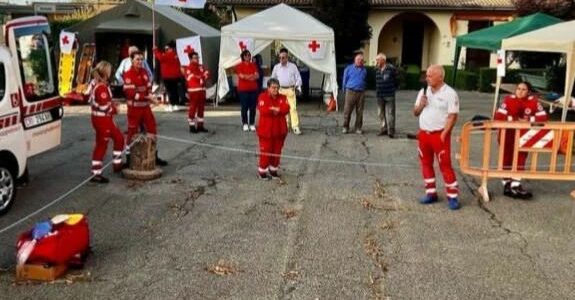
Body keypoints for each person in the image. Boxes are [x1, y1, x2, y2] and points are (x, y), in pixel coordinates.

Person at [413, 65, 460, 210]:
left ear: (440, 77)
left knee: (445, 165)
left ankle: (452, 196)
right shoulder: (423, 91)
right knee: (425, 163)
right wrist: (421, 105)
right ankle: (431, 193)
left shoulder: (450, 93)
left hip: (439, 135)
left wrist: (444, 134)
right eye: (427, 75)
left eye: (430, 75)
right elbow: (415, 112)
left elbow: (453, 116)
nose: (427, 78)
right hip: (424, 134)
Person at [493, 81, 547, 199]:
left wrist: (529, 119)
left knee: (520, 159)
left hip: (523, 136)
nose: (520, 91)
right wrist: (515, 119)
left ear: (528, 92)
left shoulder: (533, 101)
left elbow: (543, 117)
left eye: (523, 89)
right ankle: (507, 183)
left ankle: (516, 185)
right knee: (506, 157)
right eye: (518, 88)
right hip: (507, 135)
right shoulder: (508, 100)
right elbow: (499, 116)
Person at [122, 51, 167, 166]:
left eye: (141, 59)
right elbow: (131, 93)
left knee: (152, 129)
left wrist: (151, 96)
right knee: (132, 132)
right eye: (137, 59)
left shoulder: (144, 72)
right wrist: (147, 97)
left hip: (145, 108)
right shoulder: (128, 74)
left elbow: (148, 87)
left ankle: (153, 155)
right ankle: (128, 158)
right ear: (131, 60)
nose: (140, 61)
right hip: (134, 109)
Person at [89, 61, 125, 184]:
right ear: (105, 72)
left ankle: (117, 164)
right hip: (102, 119)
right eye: (109, 70)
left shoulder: (100, 84)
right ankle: (96, 173)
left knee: (119, 138)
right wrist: (115, 109)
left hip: (104, 118)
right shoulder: (101, 87)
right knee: (101, 145)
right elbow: (104, 107)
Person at [257, 78, 290, 180]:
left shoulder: (283, 97)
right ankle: (262, 172)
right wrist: (277, 109)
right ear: (268, 88)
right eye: (273, 87)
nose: (275, 90)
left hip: (280, 131)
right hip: (266, 131)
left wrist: (275, 109)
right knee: (266, 151)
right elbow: (263, 110)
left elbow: (286, 109)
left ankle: (273, 170)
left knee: (277, 152)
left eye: (277, 87)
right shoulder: (262, 96)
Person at [271, 48, 302, 135]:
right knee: (281, 109)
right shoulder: (276, 67)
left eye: (283, 57)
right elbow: (272, 79)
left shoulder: (293, 66)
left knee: (293, 108)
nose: (281, 59)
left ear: (287, 58)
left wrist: (296, 86)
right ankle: (284, 126)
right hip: (280, 90)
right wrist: (273, 89)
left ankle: (295, 126)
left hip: (290, 89)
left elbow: (298, 78)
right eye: (280, 58)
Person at [183, 51, 209, 133]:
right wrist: (201, 76)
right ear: (190, 59)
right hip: (194, 91)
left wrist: (201, 76)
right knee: (193, 108)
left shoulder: (201, 66)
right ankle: (192, 125)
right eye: (195, 58)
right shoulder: (188, 68)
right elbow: (191, 78)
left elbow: (207, 73)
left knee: (201, 108)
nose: (197, 59)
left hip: (202, 90)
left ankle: (200, 125)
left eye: (198, 58)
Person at [153, 40, 183, 112]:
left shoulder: (168, 55)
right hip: (175, 76)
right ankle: (175, 105)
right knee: (174, 91)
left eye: (167, 49)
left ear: (170, 48)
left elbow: (160, 58)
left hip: (168, 77)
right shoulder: (176, 55)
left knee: (170, 91)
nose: (165, 50)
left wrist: (155, 50)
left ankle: (171, 105)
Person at [342, 52, 367, 134]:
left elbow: (364, 80)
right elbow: (344, 80)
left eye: (361, 60)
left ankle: (358, 128)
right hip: (350, 91)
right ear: (355, 60)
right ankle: (345, 127)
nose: (360, 61)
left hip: (361, 92)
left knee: (360, 111)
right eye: (358, 59)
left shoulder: (364, 70)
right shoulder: (348, 68)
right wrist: (344, 90)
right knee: (347, 110)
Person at [375, 53, 399, 138]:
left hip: (389, 94)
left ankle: (391, 131)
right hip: (379, 95)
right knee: (380, 113)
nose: (376, 61)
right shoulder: (377, 68)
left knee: (390, 113)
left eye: (378, 59)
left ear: (383, 60)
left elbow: (397, 80)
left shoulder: (391, 69)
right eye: (376, 60)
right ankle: (383, 128)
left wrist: (393, 88)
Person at [235, 49, 260, 132]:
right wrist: (251, 76)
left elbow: (257, 76)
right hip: (243, 90)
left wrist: (248, 76)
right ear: (243, 56)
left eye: (249, 55)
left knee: (253, 107)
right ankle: (245, 123)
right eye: (246, 55)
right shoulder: (239, 65)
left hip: (253, 89)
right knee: (244, 107)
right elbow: (242, 76)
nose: (248, 57)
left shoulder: (253, 65)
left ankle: (252, 123)